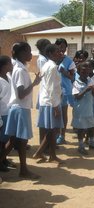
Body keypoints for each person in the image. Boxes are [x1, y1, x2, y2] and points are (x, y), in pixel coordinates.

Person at [0, 42, 42, 179]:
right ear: (22, 53)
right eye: (29, 52)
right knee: (22, 142)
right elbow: (21, 94)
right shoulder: (20, 70)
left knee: (13, 141)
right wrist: (35, 83)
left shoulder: (20, 67)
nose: (31, 54)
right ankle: (23, 170)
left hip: (16, 108)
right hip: (20, 108)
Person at [33, 44, 64, 163]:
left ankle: (52, 155)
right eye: (57, 51)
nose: (60, 53)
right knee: (53, 130)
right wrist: (56, 106)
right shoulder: (51, 67)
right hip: (51, 102)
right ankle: (39, 152)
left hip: (47, 101)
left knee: (52, 130)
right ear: (50, 54)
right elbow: (51, 88)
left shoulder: (47, 65)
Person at [71, 62, 94, 155]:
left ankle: (92, 143)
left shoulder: (90, 80)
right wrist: (86, 89)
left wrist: (93, 90)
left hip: (88, 108)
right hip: (80, 110)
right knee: (81, 129)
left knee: (91, 126)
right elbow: (77, 96)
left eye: (87, 70)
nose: (85, 72)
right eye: (83, 70)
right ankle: (80, 146)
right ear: (79, 72)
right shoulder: (76, 82)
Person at [55, 38, 76, 145]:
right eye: (59, 47)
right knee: (54, 114)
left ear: (66, 48)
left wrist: (65, 72)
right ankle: (55, 134)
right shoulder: (52, 60)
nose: (61, 49)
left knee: (63, 114)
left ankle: (62, 135)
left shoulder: (69, 61)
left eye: (63, 47)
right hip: (54, 91)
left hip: (65, 91)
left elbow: (73, 78)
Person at [0, 55, 16, 172]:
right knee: (1, 140)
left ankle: (4, 158)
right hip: (2, 113)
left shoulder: (8, 76)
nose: (12, 65)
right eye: (9, 63)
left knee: (7, 138)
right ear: (4, 66)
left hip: (9, 111)